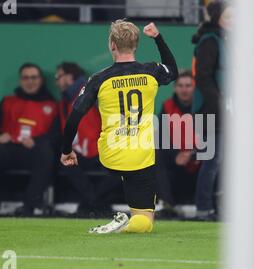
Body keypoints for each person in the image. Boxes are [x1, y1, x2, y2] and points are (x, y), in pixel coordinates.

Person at [60, 20, 178, 233]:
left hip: (110, 154)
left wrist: (67, 150)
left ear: (112, 45)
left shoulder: (99, 79)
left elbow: (74, 117)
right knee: (146, 221)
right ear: (136, 45)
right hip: (141, 155)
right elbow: (172, 70)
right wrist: (158, 38)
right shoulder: (151, 72)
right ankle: (125, 223)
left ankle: (122, 224)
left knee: (140, 222)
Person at [0, 63, 58, 216]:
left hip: (33, 150)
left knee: (47, 153)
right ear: (21, 81)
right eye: (26, 78)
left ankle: (28, 206)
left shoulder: (52, 105)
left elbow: (56, 136)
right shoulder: (8, 102)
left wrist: (37, 141)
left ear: (41, 80)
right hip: (8, 149)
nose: (30, 81)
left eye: (34, 77)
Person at [55, 62, 120, 217]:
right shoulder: (63, 102)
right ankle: (96, 203)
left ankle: (89, 203)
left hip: (103, 150)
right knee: (65, 160)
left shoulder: (94, 93)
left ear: (69, 77)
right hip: (81, 153)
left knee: (125, 167)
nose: (56, 81)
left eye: (58, 77)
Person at [191, 0, 230, 220]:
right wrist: (219, 104)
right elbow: (203, 78)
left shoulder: (226, 41)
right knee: (212, 161)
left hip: (225, 110)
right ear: (218, 18)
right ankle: (203, 208)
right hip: (211, 111)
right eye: (228, 16)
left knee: (220, 162)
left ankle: (214, 207)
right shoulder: (210, 42)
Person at [156, 70, 200, 216]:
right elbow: (161, 139)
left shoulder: (204, 107)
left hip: (199, 165)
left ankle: (211, 205)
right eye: (180, 86)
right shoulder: (167, 107)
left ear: (195, 87)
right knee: (155, 154)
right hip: (175, 166)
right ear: (175, 88)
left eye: (188, 85)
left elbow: (210, 139)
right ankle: (167, 205)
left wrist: (191, 155)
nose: (184, 89)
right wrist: (176, 155)